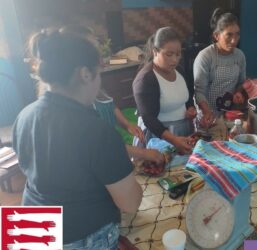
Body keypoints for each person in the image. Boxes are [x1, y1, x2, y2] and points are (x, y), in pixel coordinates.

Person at [12, 28, 159, 249]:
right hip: (77, 237)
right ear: (85, 74)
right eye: (99, 73)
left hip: (28, 227)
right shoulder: (96, 131)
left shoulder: (24, 116)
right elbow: (130, 203)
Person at [59, 24, 145, 145]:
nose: (100, 57)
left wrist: (127, 125)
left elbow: (109, 104)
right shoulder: (76, 108)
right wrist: (143, 154)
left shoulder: (90, 85)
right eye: (94, 48)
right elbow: (99, 144)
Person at [133, 27, 196, 154]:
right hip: (159, 137)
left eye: (178, 54)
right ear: (155, 51)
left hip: (183, 132)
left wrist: (190, 108)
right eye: (169, 54)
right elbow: (149, 119)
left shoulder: (179, 71)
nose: (174, 60)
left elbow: (187, 98)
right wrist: (173, 140)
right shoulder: (146, 79)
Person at [193, 8, 246, 127]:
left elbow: (241, 82)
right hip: (207, 115)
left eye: (237, 34)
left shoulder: (239, 56)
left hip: (230, 114)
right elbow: (199, 91)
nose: (234, 41)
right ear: (216, 36)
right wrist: (207, 112)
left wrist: (238, 92)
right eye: (229, 35)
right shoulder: (206, 56)